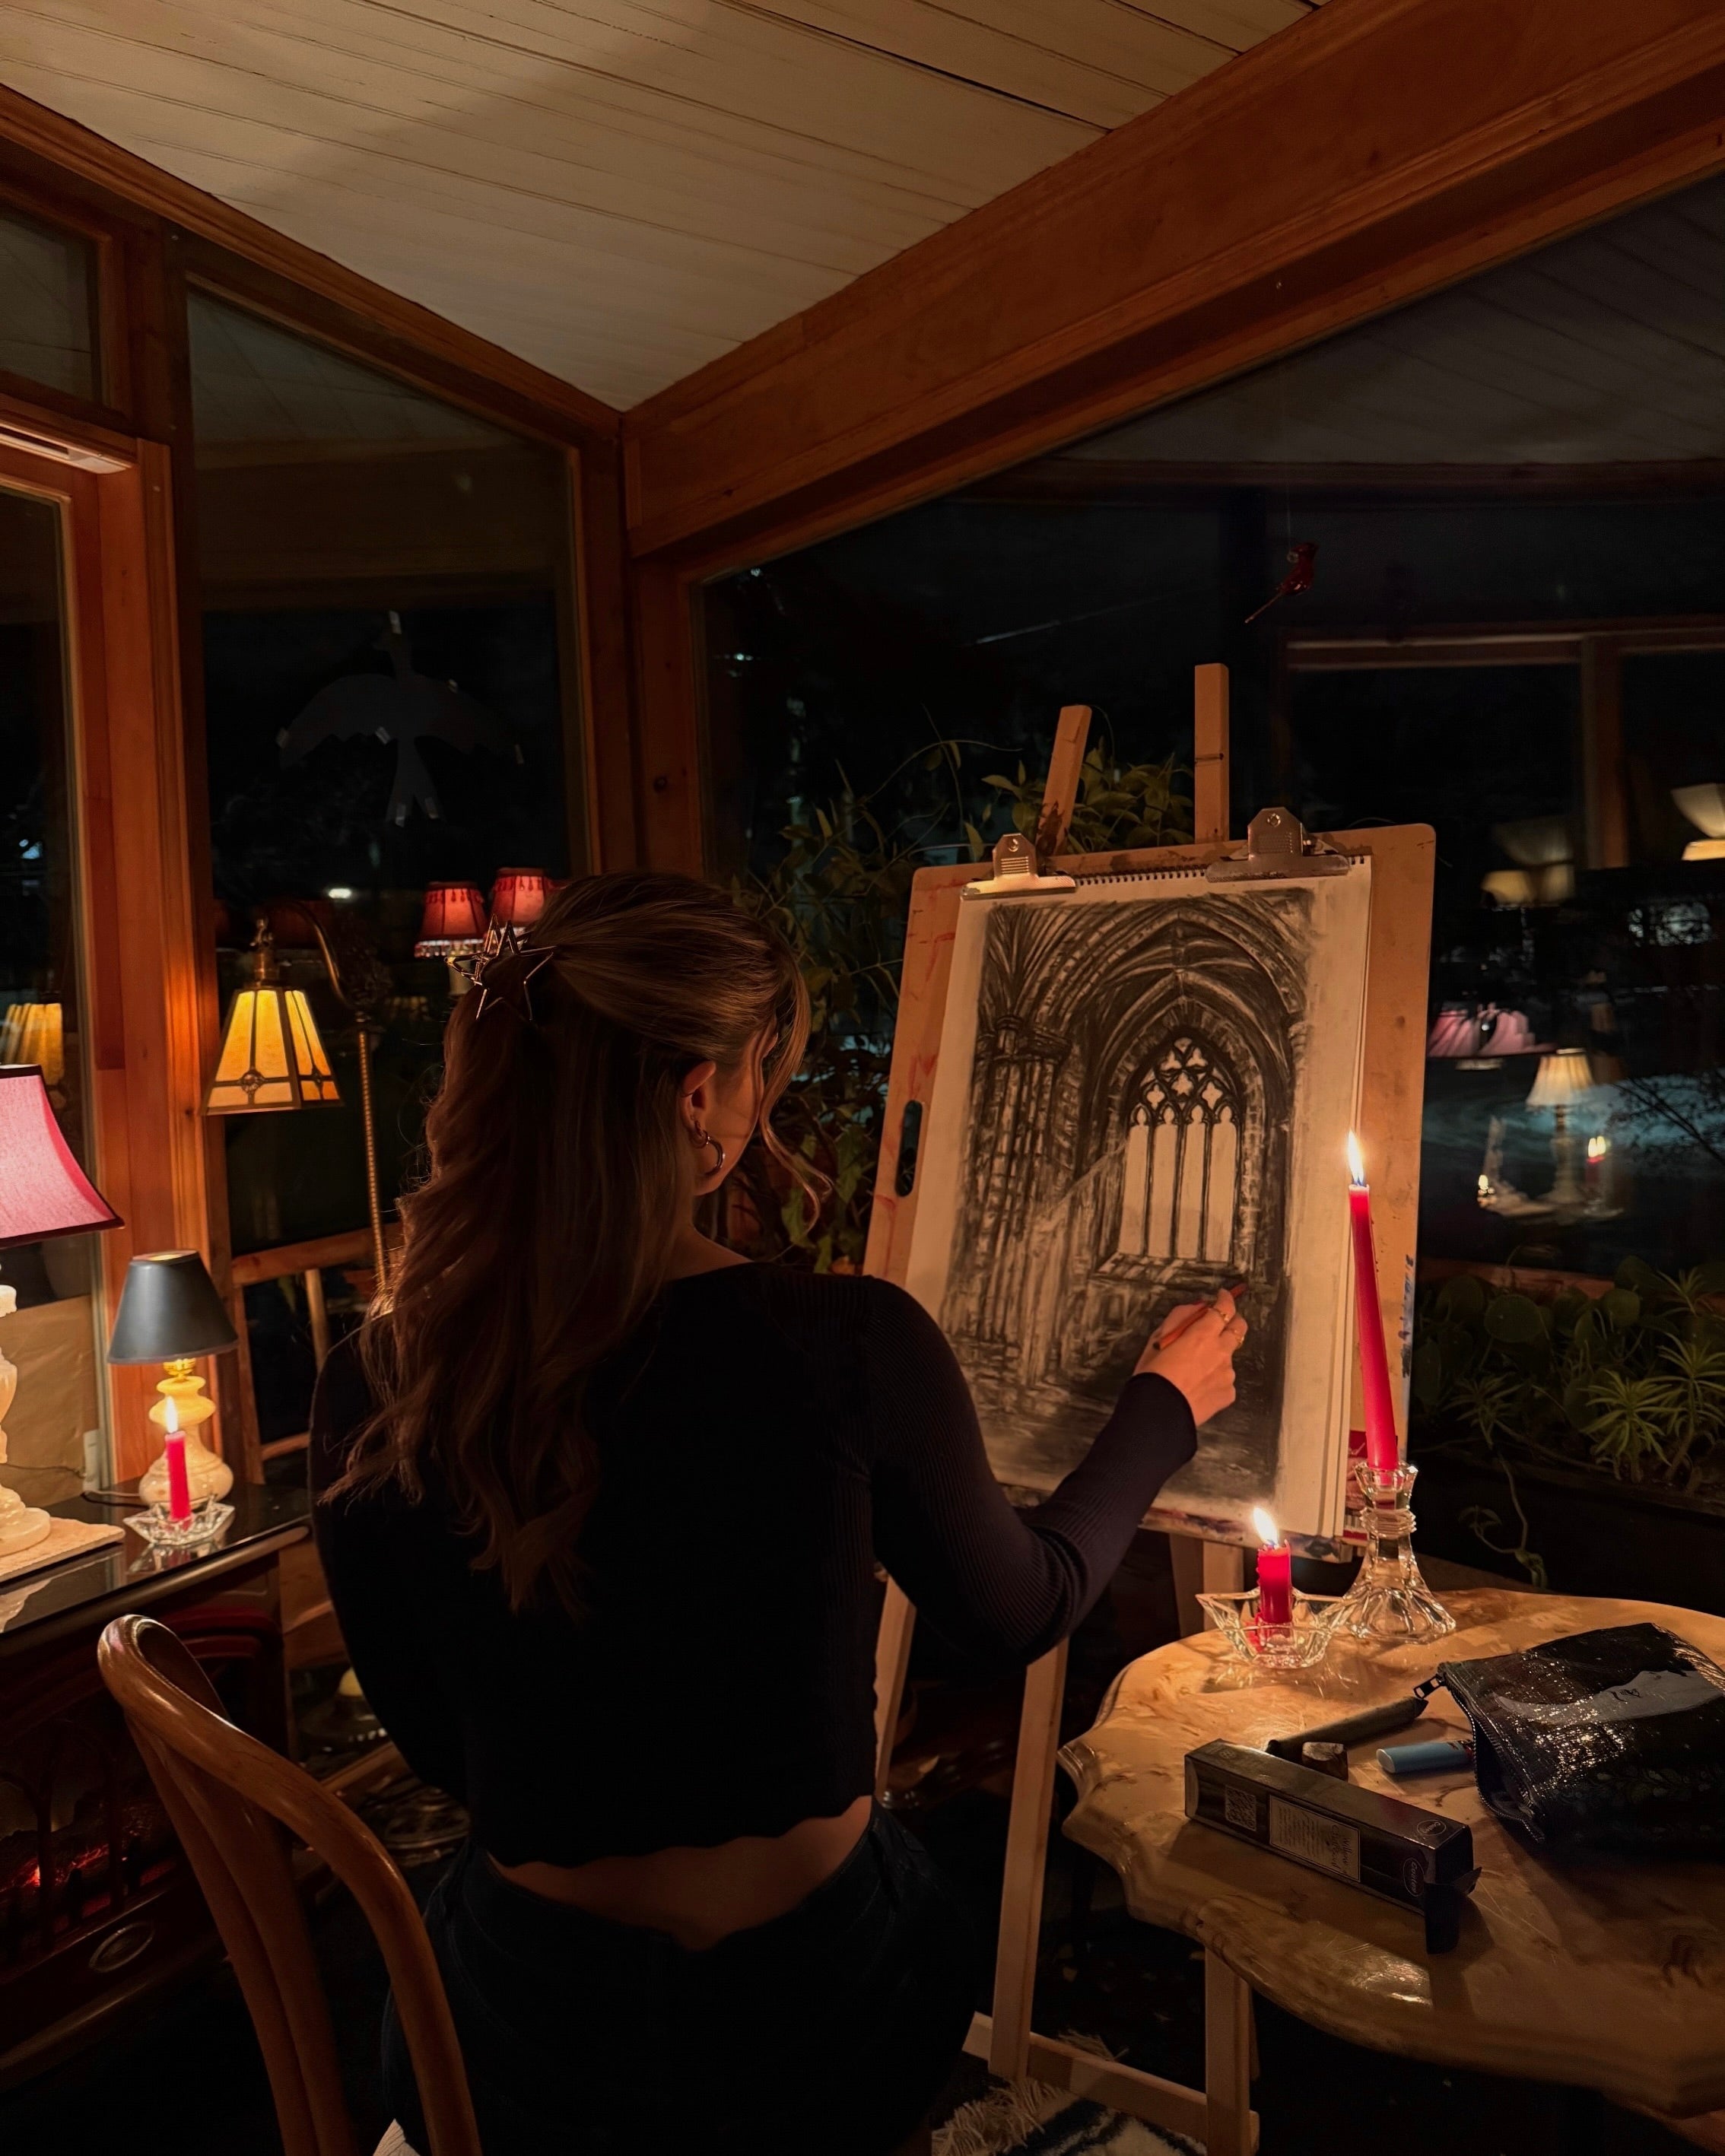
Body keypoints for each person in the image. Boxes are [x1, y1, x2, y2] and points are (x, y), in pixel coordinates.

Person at [310, 870, 1247, 2156]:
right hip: (813, 2024)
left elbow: (433, 1741)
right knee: (940, 1878)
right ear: (698, 1095)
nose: (764, 1109)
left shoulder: (375, 1374)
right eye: (761, 1075)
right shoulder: (843, 1343)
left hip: (526, 2044)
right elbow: (1017, 1610)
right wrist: (1161, 1406)